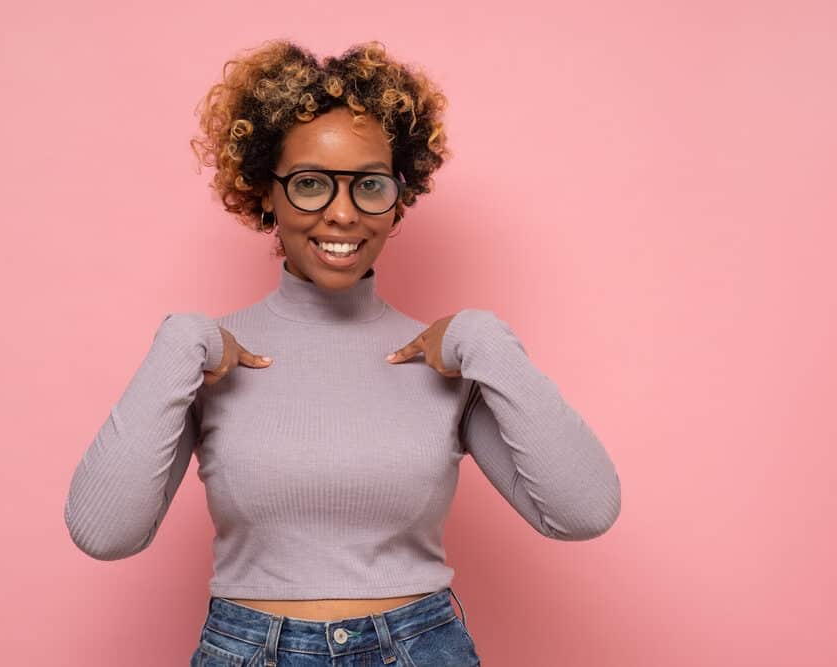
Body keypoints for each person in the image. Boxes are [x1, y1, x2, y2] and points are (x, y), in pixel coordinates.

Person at [64, 39, 621, 666]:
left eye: (369, 185)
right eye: (309, 184)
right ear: (265, 192)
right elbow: (104, 534)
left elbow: (584, 512)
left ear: (398, 196)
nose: (340, 213)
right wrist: (177, 344)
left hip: (419, 648)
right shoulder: (205, 361)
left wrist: (487, 341)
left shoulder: (449, 362)